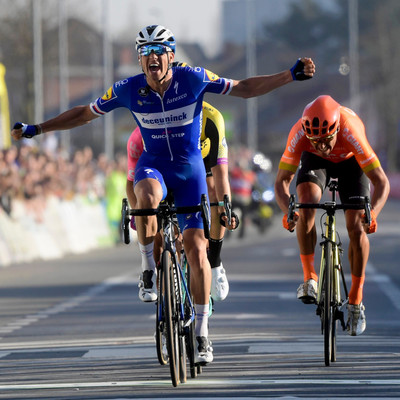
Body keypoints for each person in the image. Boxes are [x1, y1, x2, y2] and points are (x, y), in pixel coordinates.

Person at [11, 24, 315, 364]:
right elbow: (85, 113)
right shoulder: (128, 89)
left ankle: (201, 333)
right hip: (153, 165)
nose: (152, 57)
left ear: (171, 55)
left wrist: (290, 75)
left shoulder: (194, 78)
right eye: (145, 52)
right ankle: (147, 268)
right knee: (145, 194)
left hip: (190, 171)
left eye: (159, 51)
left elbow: (243, 88)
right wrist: (39, 128)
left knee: (197, 251)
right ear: (140, 60)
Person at [274, 95, 390, 336]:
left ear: (337, 128)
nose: (322, 146)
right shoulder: (300, 134)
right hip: (315, 164)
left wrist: (373, 214)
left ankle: (356, 300)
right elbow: (281, 183)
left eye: (326, 140)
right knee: (305, 204)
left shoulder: (351, 130)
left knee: (356, 227)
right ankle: (310, 278)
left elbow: (382, 182)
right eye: (315, 140)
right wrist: (288, 211)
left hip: (351, 162)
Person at [126, 100, 233, 302]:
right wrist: (138, 211)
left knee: (213, 193)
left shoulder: (212, 117)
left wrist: (226, 205)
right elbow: (131, 184)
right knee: (157, 233)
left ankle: (215, 262)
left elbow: (221, 176)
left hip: (202, 161)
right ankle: (163, 298)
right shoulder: (140, 137)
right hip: (164, 169)